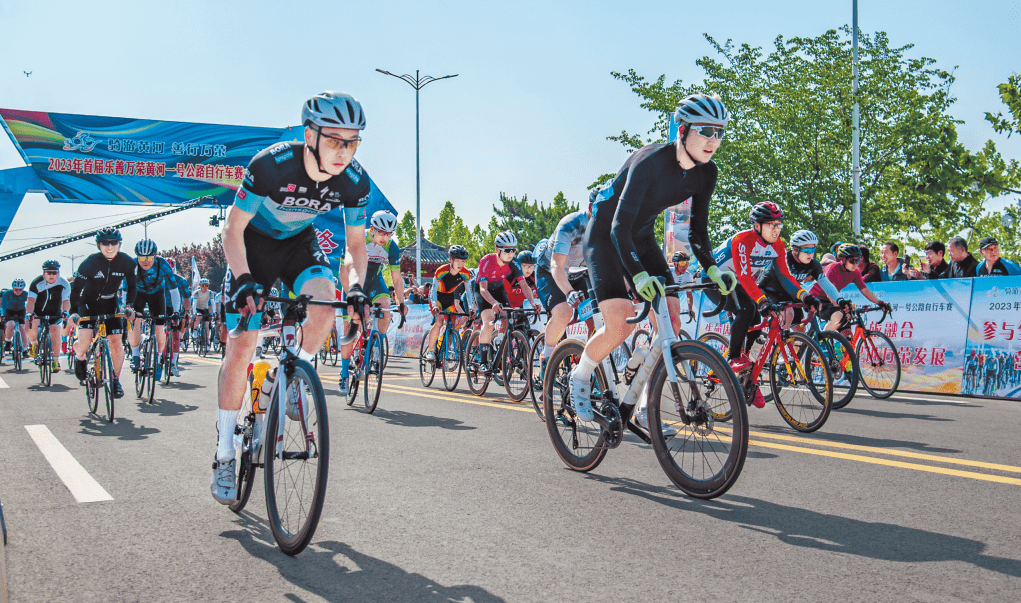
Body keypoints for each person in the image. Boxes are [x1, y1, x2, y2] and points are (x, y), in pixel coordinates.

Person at [212, 91, 371, 504]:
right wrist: (244, 278)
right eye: (336, 141)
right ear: (309, 135)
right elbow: (231, 230)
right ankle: (225, 453)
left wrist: (356, 287)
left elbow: (356, 248)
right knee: (242, 346)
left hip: (298, 244)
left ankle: (294, 376)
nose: (345, 152)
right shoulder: (270, 165)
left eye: (353, 142)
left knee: (325, 302)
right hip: (253, 247)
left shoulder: (354, 181)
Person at [571, 93, 738, 421]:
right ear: (682, 130)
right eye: (705, 130)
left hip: (641, 237)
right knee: (619, 324)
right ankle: (581, 376)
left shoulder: (707, 174)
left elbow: (697, 234)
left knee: (671, 322)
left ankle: (646, 403)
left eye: (719, 132)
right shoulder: (651, 161)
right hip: (606, 234)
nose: (713, 140)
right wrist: (638, 275)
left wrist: (714, 271)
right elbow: (619, 226)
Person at [709, 203, 821, 407]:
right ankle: (733, 358)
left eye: (779, 224)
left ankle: (748, 377)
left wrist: (806, 297)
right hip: (716, 281)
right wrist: (762, 300)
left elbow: (787, 277)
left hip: (739, 283)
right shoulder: (743, 240)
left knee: (756, 320)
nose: (777, 229)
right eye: (771, 225)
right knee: (748, 309)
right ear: (757, 226)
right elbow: (744, 276)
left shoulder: (778, 245)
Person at [336, 209, 407, 395]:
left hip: (375, 280)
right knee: (350, 327)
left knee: (385, 311)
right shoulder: (357, 239)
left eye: (389, 234)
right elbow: (342, 272)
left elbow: (397, 278)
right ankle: (344, 373)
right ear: (373, 228)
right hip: (353, 281)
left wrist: (401, 301)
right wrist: (351, 296)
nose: (385, 237)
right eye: (382, 233)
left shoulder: (391, 247)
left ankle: (374, 347)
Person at [69, 228, 137, 397]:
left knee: (115, 342)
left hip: (110, 303)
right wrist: (73, 311)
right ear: (98, 245)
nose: (109, 247)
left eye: (113, 243)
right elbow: (76, 290)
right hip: (88, 304)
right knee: (84, 343)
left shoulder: (127, 262)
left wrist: (129, 306)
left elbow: (133, 286)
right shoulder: (90, 262)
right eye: (104, 243)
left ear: (119, 244)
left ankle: (115, 380)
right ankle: (79, 356)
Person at [474, 231, 541, 371]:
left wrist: (534, 304)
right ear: (497, 250)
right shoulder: (486, 261)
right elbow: (483, 290)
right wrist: (493, 303)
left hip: (498, 289)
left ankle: (499, 341)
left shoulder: (514, 262)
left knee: (507, 317)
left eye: (514, 250)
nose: (511, 253)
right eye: (508, 250)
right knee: (489, 319)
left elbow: (524, 286)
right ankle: (483, 362)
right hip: (483, 290)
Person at [534, 210, 590, 371]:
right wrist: (569, 292)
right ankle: (548, 356)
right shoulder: (571, 224)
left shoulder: (611, 224)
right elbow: (556, 266)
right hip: (551, 271)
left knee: (595, 316)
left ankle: (586, 367)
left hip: (580, 273)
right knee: (564, 312)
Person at [757, 229, 839, 330]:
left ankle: (792, 344)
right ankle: (778, 344)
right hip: (768, 290)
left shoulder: (813, 264)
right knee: (788, 314)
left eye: (813, 250)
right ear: (795, 249)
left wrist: (840, 300)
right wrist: (806, 297)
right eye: (807, 251)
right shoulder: (783, 259)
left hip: (790, 293)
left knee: (800, 332)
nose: (810, 254)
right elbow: (787, 282)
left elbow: (826, 284)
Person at [811, 244, 889, 333]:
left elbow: (865, 290)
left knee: (847, 333)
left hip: (833, 299)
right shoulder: (832, 269)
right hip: (817, 299)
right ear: (843, 259)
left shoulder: (855, 272)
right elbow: (829, 293)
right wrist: (842, 306)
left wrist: (880, 302)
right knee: (838, 317)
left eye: (858, 260)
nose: (856, 264)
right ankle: (820, 342)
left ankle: (843, 345)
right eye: (852, 261)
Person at [128, 239, 175, 380]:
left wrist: (177, 311)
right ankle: (135, 355)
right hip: (138, 294)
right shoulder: (131, 266)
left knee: (159, 328)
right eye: (142, 258)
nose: (145, 261)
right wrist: (127, 308)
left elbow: (174, 290)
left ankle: (157, 359)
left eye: (149, 258)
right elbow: (126, 289)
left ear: (155, 256)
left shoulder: (163, 265)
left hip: (157, 295)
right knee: (134, 319)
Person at [423, 245, 474, 362]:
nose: (461, 264)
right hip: (438, 298)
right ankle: (430, 350)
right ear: (451, 260)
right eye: (458, 261)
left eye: (463, 261)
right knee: (440, 321)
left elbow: (469, 292)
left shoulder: (466, 273)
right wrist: (435, 305)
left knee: (454, 326)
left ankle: (444, 352)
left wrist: (471, 308)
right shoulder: (441, 271)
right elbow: (433, 291)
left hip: (450, 298)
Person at [26, 261, 70, 370]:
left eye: (54, 273)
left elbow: (66, 300)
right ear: (44, 273)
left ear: (58, 273)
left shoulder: (64, 283)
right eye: (48, 272)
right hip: (38, 312)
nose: (51, 275)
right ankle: (34, 343)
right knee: (31, 322)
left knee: (56, 332)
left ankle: (55, 361)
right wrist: (30, 313)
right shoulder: (36, 283)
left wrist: (65, 311)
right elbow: (31, 301)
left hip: (54, 313)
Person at [1, 279, 30, 358]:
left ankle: (25, 350)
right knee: (11, 324)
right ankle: (8, 342)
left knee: (23, 328)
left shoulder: (26, 294)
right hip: (9, 311)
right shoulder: (7, 293)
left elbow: (31, 304)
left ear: (23, 289)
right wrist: (3, 314)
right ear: (13, 288)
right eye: (16, 289)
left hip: (21, 311)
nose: (18, 291)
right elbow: (3, 305)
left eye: (20, 290)